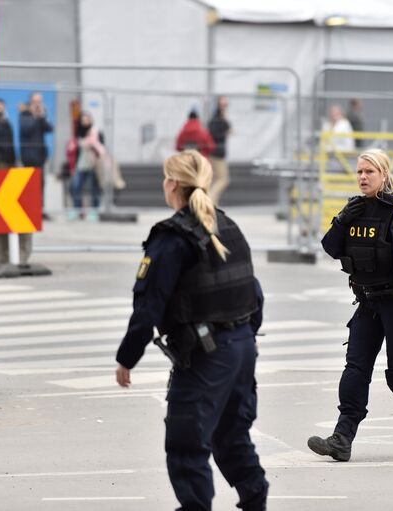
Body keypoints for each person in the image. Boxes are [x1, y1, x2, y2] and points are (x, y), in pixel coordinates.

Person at [115, 149, 268, 511]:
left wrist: (126, 359)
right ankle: (255, 500)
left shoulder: (171, 239)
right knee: (231, 435)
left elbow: (148, 307)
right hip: (242, 347)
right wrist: (242, 337)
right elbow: (254, 292)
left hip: (206, 355)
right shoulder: (228, 225)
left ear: (172, 185)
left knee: (187, 442)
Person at [307, 148, 393, 462]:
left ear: (383, 174)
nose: (363, 177)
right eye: (359, 172)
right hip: (368, 302)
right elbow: (329, 247)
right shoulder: (354, 209)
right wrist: (341, 220)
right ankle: (342, 438)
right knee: (355, 368)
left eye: (369, 172)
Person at [19, 92, 54, 219]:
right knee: (29, 185)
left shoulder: (41, 116)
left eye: (40, 101)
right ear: (30, 102)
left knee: (41, 185)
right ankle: (29, 211)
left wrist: (42, 116)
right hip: (28, 157)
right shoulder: (24, 114)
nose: (38, 104)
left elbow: (49, 128)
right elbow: (25, 129)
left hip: (40, 157)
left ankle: (40, 210)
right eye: (35, 101)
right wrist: (34, 116)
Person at [69, 112, 106, 221]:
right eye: (83, 120)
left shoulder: (95, 132)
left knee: (94, 188)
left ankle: (94, 211)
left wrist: (94, 143)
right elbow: (75, 150)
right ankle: (78, 210)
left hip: (93, 164)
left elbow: (102, 147)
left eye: (87, 119)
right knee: (75, 187)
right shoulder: (78, 133)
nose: (85, 122)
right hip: (81, 164)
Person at [208, 96, 232, 205]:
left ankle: (213, 204)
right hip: (217, 153)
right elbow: (220, 133)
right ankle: (210, 199)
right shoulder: (217, 119)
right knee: (223, 179)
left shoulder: (218, 118)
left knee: (216, 179)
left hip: (215, 152)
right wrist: (226, 132)